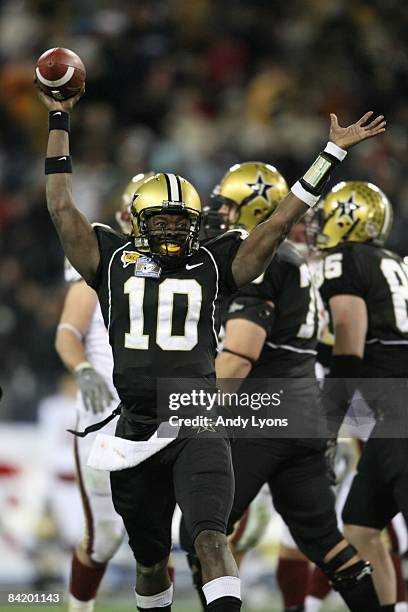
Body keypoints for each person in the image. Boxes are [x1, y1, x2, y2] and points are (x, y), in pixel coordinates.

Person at [37, 80, 384, 612]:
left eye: (183, 223)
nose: (174, 232)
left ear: (198, 226)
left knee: (210, 537)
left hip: (199, 421)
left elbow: (279, 222)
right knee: (151, 561)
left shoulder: (216, 260)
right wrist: (59, 121)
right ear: (138, 223)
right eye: (163, 222)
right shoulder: (109, 257)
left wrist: (331, 153)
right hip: (135, 427)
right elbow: (61, 207)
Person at [212, 162, 383, 612]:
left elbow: (241, 353)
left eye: (230, 206)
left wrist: (200, 410)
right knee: (326, 542)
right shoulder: (296, 260)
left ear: (254, 208)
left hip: (263, 416)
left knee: (204, 529)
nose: (222, 214)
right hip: (305, 415)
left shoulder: (263, 259)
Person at [55, 173, 153, 612]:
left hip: (156, 419)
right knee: (106, 538)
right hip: (104, 419)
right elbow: (67, 334)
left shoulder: (189, 270)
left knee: (156, 535)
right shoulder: (104, 264)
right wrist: (84, 370)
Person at [316, 180, 408, 612]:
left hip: (399, 412)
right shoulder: (390, 260)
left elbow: (349, 351)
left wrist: (327, 428)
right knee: (358, 528)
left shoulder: (345, 259)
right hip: (391, 417)